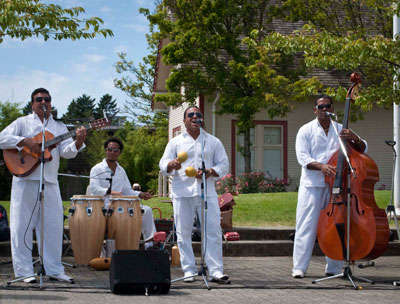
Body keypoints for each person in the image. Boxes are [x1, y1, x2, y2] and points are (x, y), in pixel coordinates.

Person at [0, 87, 87, 283]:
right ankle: (24, 272)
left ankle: (54, 269)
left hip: (50, 181)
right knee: (21, 226)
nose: (43, 102)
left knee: (53, 226)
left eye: (47, 99)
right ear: (32, 104)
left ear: (51, 103)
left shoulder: (59, 126)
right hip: (24, 180)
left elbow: (66, 152)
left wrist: (79, 142)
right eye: (39, 99)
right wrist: (26, 143)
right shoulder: (22, 123)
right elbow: (2, 139)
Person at [292, 93, 367, 278]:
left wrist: (356, 138)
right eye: (321, 107)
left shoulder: (341, 129)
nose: (324, 110)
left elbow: (363, 148)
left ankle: (333, 267)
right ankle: (299, 268)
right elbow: (303, 157)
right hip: (312, 186)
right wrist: (322, 167)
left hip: (336, 187)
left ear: (332, 109)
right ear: (315, 110)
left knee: (335, 226)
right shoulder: (305, 130)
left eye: (327, 106)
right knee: (306, 226)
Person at [159, 106, 230, 283]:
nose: (195, 117)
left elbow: (224, 165)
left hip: (207, 192)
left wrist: (210, 171)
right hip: (182, 191)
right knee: (183, 232)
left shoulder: (213, 141)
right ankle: (189, 270)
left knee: (213, 230)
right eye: (191, 115)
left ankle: (215, 270)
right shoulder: (175, 142)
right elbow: (163, 163)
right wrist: (172, 165)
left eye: (198, 115)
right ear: (184, 120)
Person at [89, 137, 156, 249]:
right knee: (122, 211)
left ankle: (150, 245)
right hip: (102, 206)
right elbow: (94, 188)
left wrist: (140, 194)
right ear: (106, 150)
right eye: (110, 149)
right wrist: (110, 192)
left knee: (147, 210)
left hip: (120, 206)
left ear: (119, 152)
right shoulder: (97, 169)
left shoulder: (121, 170)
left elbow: (127, 190)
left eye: (115, 150)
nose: (112, 153)